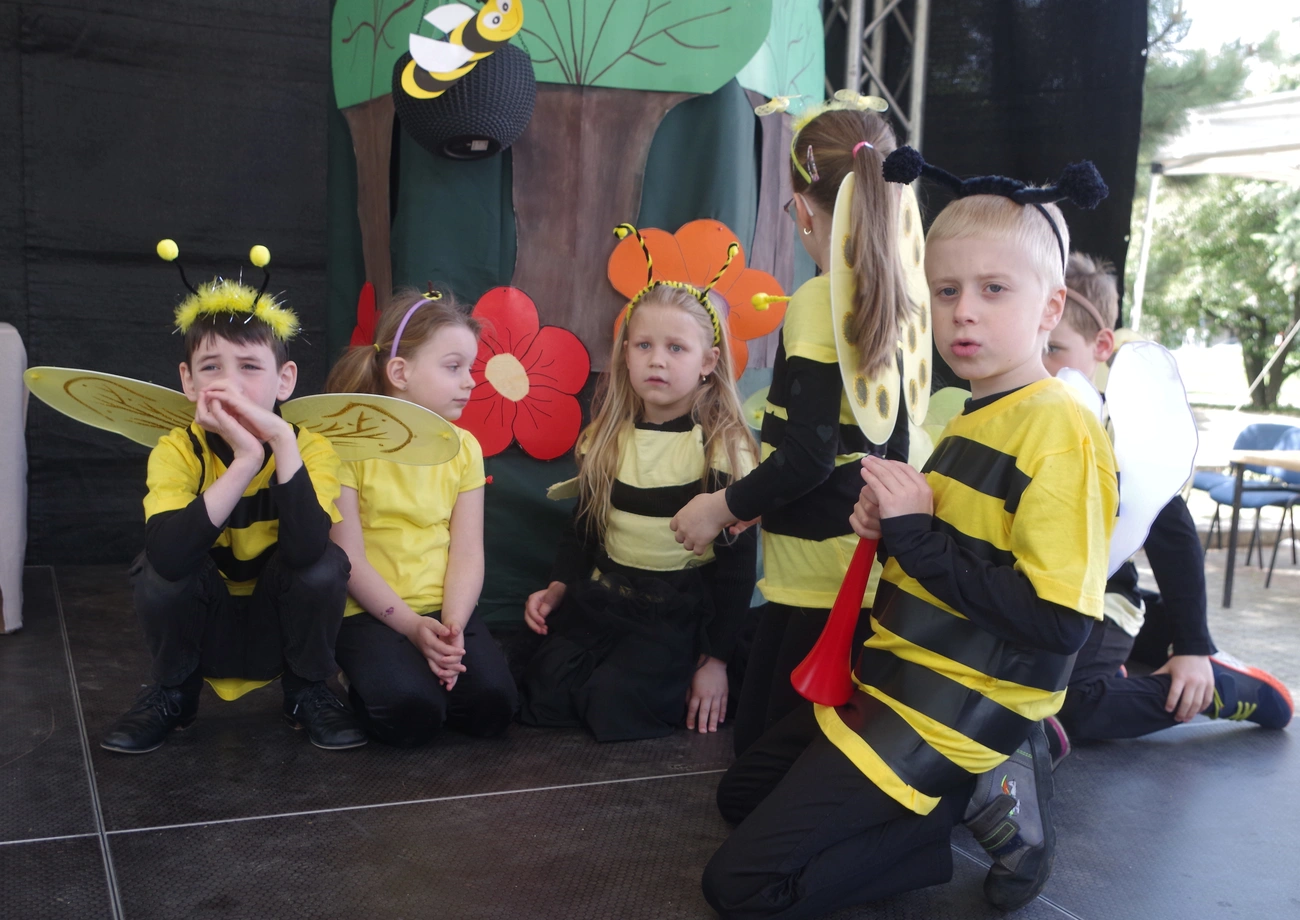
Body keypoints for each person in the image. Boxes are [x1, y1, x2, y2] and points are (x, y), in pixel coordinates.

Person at [701, 150, 1117, 918]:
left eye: (994, 289)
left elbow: (1059, 625)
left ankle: (961, 800)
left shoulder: (1061, 430)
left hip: (950, 710)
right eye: (947, 290)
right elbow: (957, 555)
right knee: (740, 796)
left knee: (740, 888)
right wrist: (892, 532)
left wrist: (916, 539)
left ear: (1051, 307)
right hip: (888, 680)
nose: (964, 311)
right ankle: (943, 811)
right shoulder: (972, 417)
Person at [670, 102, 913, 757]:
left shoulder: (817, 299)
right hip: (858, 571)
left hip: (815, 582)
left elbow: (808, 454)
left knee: (762, 769)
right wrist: (763, 500)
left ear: (803, 210)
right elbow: (883, 445)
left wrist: (720, 507)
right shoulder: (894, 296)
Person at [102, 245, 365, 754]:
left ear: (284, 381)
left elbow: (307, 553)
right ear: (188, 381)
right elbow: (169, 558)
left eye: (249, 366)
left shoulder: (311, 448)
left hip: (276, 622)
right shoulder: (177, 449)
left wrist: (280, 442)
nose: (228, 383)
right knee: (156, 567)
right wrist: (245, 461)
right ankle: (174, 695)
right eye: (210, 367)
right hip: (208, 623)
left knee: (326, 564)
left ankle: (306, 692)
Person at [1041, 253, 1292, 757]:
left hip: (1102, 603)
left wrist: (1193, 648)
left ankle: (1213, 686)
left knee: (1070, 707)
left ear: (1101, 346)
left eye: (1054, 348)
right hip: (1039, 604)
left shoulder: (1115, 432)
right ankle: (1141, 644)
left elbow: (1173, 534)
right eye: (1031, 345)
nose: (1040, 362)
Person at [518, 244, 758, 742]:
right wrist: (559, 585)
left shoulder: (721, 446)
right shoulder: (608, 437)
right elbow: (584, 529)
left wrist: (714, 661)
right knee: (545, 693)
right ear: (625, 352)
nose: (657, 361)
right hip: (610, 596)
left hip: (679, 610)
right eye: (643, 345)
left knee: (614, 703)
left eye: (676, 348)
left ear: (709, 361)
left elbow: (737, 568)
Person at [325, 288, 517, 746]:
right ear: (400, 373)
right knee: (409, 716)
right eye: (453, 367)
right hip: (371, 612)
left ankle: (428, 666)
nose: (470, 382)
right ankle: (353, 680)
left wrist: (452, 628)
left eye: (470, 368)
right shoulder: (346, 448)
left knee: (494, 708)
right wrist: (412, 627)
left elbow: (467, 552)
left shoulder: (465, 448)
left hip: (443, 609)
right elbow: (349, 558)